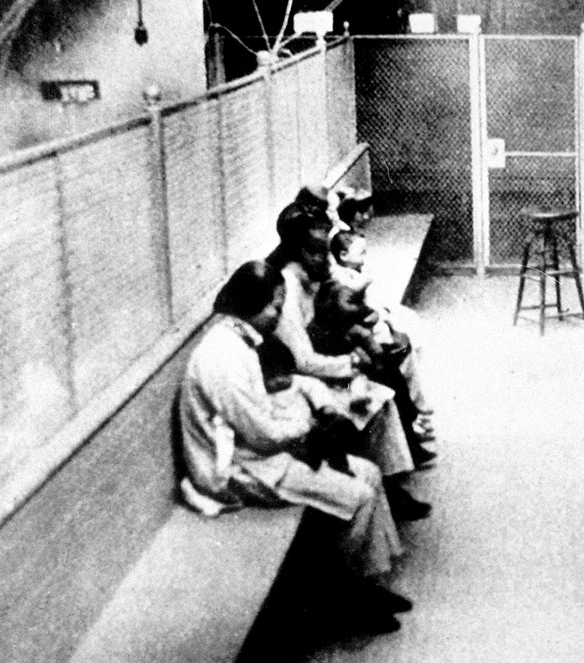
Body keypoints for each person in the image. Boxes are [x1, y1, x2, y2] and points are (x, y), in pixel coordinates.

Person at [178, 261, 411, 634]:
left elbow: (261, 421)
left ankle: (367, 583)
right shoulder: (224, 357)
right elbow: (263, 434)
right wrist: (309, 426)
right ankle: (343, 602)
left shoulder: (237, 340)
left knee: (368, 471)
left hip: (255, 454)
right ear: (249, 304)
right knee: (359, 494)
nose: (278, 316)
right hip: (236, 471)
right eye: (274, 307)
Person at [266, 201, 431, 520]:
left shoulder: (310, 277)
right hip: (296, 386)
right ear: (297, 250)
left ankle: (392, 481)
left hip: (319, 368)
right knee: (375, 396)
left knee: (384, 382)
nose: (324, 259)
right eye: (317, 252)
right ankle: (388, 487)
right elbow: (301, 361)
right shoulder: (287, 289)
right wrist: (352, 365)